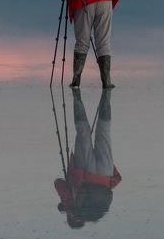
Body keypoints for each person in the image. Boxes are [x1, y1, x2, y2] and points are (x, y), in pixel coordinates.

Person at [52, 0, 120, 88]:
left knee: (82, 42)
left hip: (84, 4)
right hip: (106, 0)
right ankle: (107, 82)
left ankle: (76, 81)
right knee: (103, 41)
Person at [54, 89, 120, 228]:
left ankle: (106, 93)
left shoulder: (96, 212)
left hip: (106, 176)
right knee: (83, 131)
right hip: (85, 173)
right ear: (70, 217)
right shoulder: (73, 207)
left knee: (104, 131)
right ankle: (76, 94)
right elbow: (58, 183)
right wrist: (67, 205)